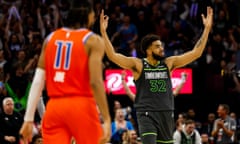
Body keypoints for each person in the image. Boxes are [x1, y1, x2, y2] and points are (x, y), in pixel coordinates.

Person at [100, 6, 213, 144]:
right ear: (148, 50)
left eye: (161, 46)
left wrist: (206, 29)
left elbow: (196, 53)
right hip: (146, 113)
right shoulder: (138, 64)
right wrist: (104, 33)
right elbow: (112, 56)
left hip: (166, 112)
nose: (162, 48)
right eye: (158, 46)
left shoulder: (169, 63)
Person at [19, 1, 111, 144]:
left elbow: (37, 81)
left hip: (54, 107)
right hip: (82, 105)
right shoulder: (93, 40)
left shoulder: (50, 39)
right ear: (88, 15)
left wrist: (28, 119)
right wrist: (106, 118)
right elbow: (95, 81)